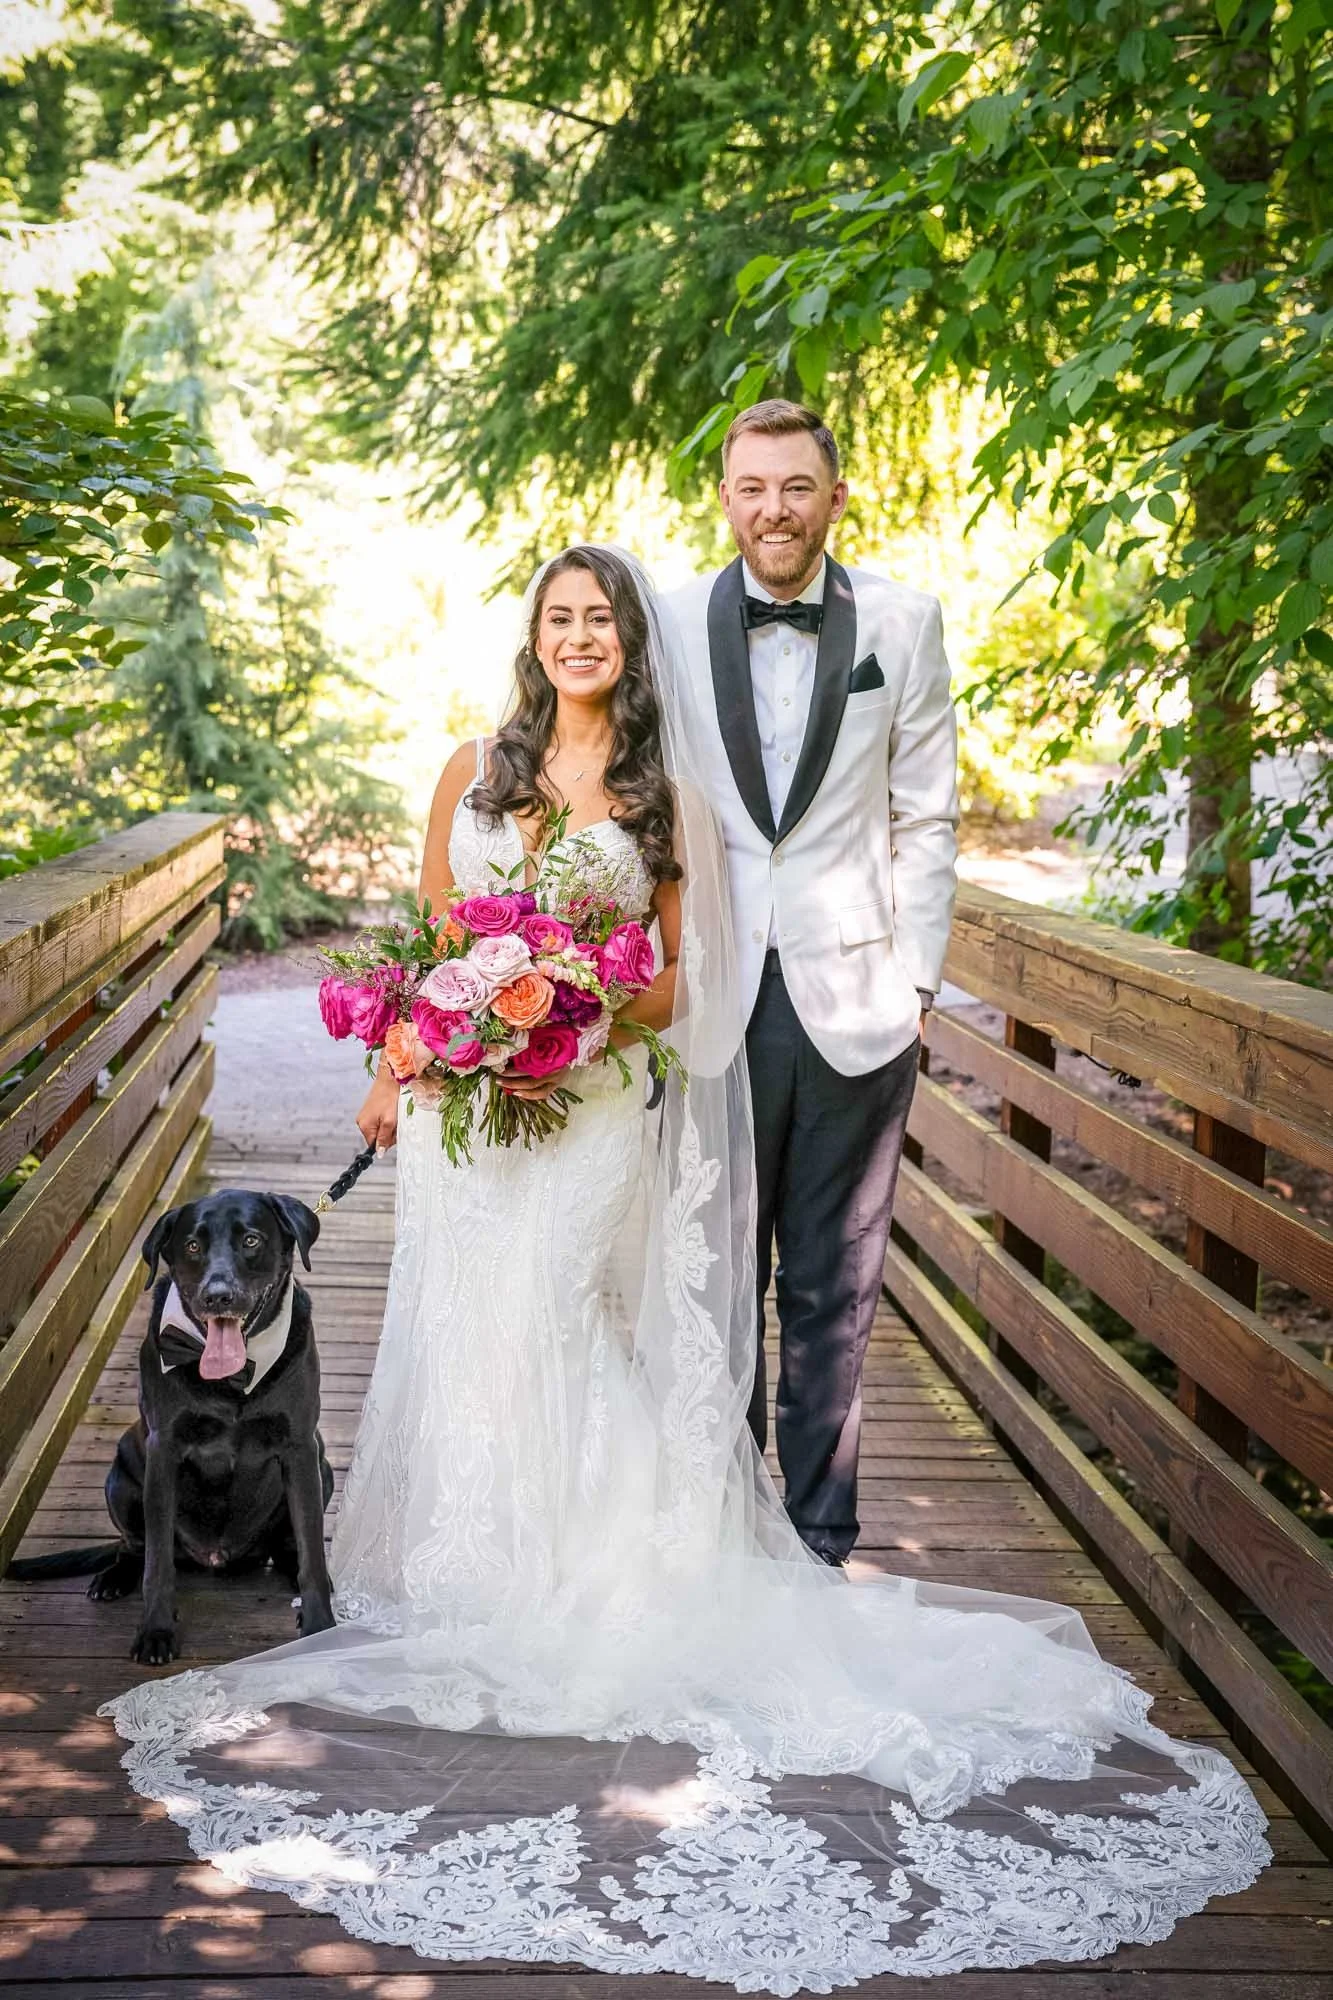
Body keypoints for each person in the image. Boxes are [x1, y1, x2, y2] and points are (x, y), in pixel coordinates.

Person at [103, 544, 1266, 1994]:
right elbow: (421, 941)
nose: (578, 635)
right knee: (467, 1328)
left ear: (627, 642)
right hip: (468, 1129)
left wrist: (561, 1017)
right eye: (557, 617)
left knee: (563, 1318)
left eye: (600, 619)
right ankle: (473, 1566)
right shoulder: (469, 765)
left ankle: (588, 1575)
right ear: (532, 639)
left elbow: (670, 985)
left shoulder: (662, 798)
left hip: (584, 1110)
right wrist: (422, 1039)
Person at [667, 399, 958, 1566]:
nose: (773, 508)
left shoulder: (902, 618)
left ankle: (819, 1534)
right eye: (752, 486)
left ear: (835, 497)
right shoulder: (673, 618)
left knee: (833, 1280)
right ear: (725, 496)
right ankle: (725, 1528)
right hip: (712, 996)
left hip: (856, 999)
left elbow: (926, 813)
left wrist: (920, 983)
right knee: (714, 1275)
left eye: (796, 486)